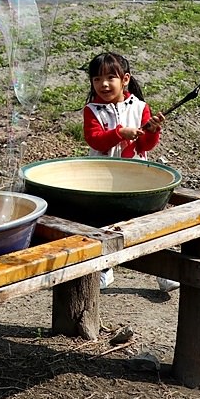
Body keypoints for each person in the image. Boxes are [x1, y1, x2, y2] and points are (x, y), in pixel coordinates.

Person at [81, 52, 179, 294]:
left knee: (146, 223)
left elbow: (145, 146)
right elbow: (95, 140)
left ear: (125, 79)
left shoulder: (140, 107)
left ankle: (163, 272)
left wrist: (152, 131)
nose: (103, 84)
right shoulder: (92, 110)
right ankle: (104, 269)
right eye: (96, 79)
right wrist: (118, 133)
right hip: (102, 179)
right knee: (101, 224)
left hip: (135, 178)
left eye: (110, 77)